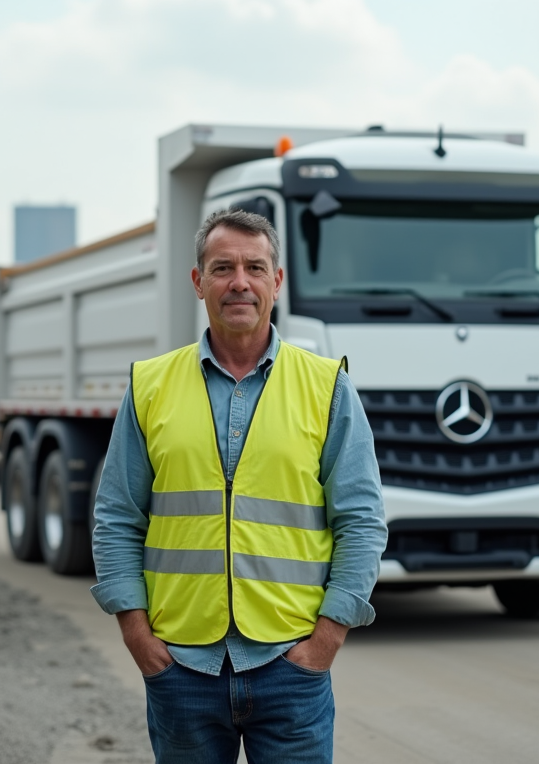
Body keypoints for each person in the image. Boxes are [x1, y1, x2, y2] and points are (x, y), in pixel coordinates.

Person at [90, 208, 387, 764]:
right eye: (222, 268)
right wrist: (137, 633)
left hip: (290, 667)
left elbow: (362, 522)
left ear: (277, 281)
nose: (239, 282)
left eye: (255, 267)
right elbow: (117, 517)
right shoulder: (150, 385)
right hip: (182, 669)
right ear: (198, 282)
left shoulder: (327, 387)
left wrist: (326, 639)